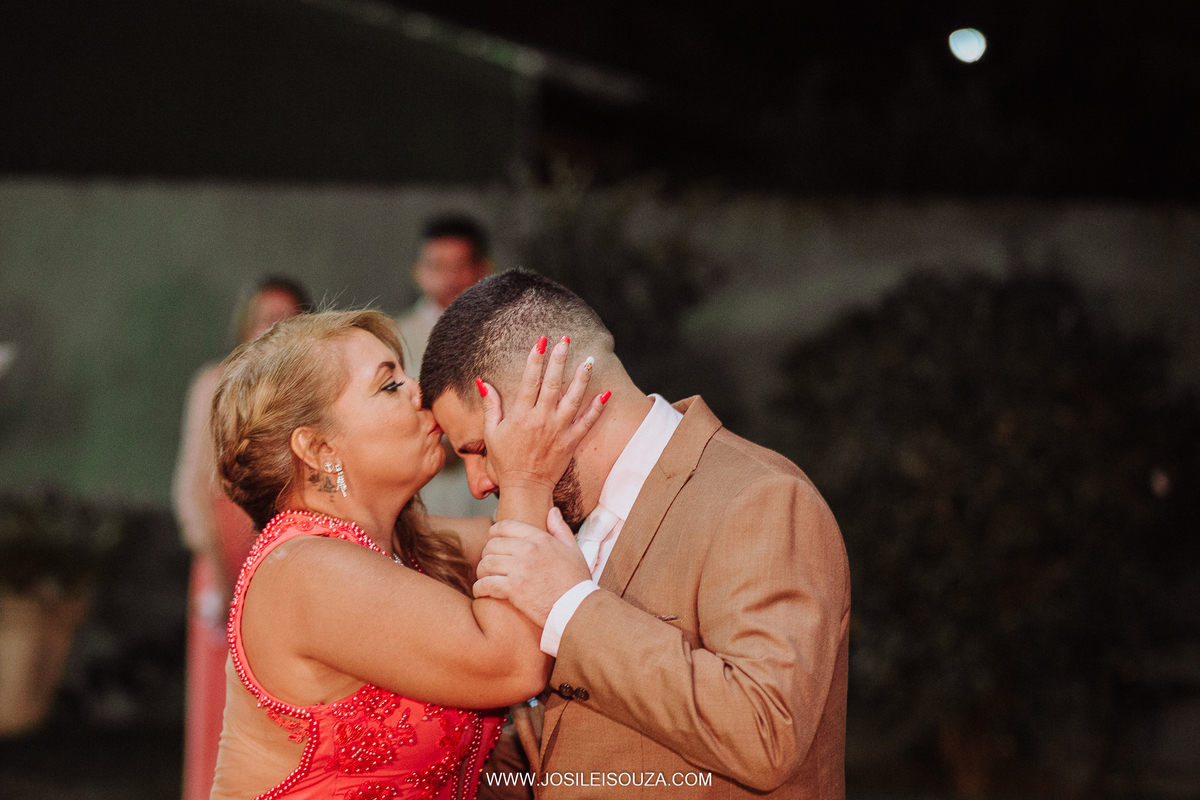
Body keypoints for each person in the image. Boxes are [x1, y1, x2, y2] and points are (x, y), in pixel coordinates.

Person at [419, 271, 851, 799]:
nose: (480, 481)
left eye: (482, 448)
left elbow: (765, 734)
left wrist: (572, 607)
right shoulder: (564, 521)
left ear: (551, 394)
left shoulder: (759, 498)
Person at [207, 309, 607, 800]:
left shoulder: (405, 545)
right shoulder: (304, 571)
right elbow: (510, 663)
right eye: (390, 385)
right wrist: (525, 476)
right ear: (317, 447)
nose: (422, 393)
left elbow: (557, 538)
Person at [171, 276, 310, 800]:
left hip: (282, 549)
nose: (273, 327)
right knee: (219, 696)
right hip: (221, 550)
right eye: (264, 315)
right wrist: (212, 561)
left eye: (287, 316)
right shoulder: (214, 382)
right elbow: (192, 480)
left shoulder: (306, 391)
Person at [397, 214, 496, 518]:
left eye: (460, 266)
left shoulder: (501, 330)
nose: (450, 279)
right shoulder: (393, 336)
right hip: (424, 500)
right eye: (437, 267)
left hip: (491, 493)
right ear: (418, 272)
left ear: (482, 269)